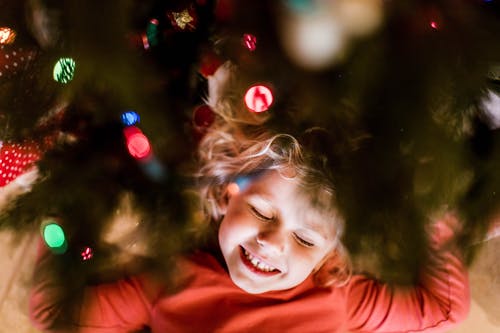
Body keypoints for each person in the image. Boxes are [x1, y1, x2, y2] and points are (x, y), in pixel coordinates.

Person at [29, 63, 470, 332]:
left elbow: (445, 308)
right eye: (262, 210)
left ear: (331, 255)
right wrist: (71, 206)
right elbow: (55, 312)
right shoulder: (172, 281)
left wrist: (419, 206)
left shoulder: (341, 297)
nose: (274, 242)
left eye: (308, 239)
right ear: (226, 196)